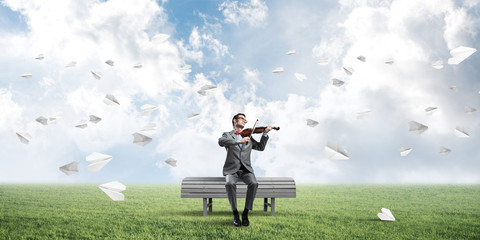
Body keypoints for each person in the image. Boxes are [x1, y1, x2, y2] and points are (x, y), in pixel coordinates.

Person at [218, 113, 272, 227]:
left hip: (246, 170)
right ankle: (235, 213)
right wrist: (238, 141)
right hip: (232, 170)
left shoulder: (249, 136)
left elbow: (261, 147)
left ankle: (245, 213)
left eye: (245, 120)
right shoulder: (227, 135)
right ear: (234, 120)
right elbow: (221, 141)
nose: (245, 121)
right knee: (229, 183)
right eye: (242, 118)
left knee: (254, 183)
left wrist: (265, 133)